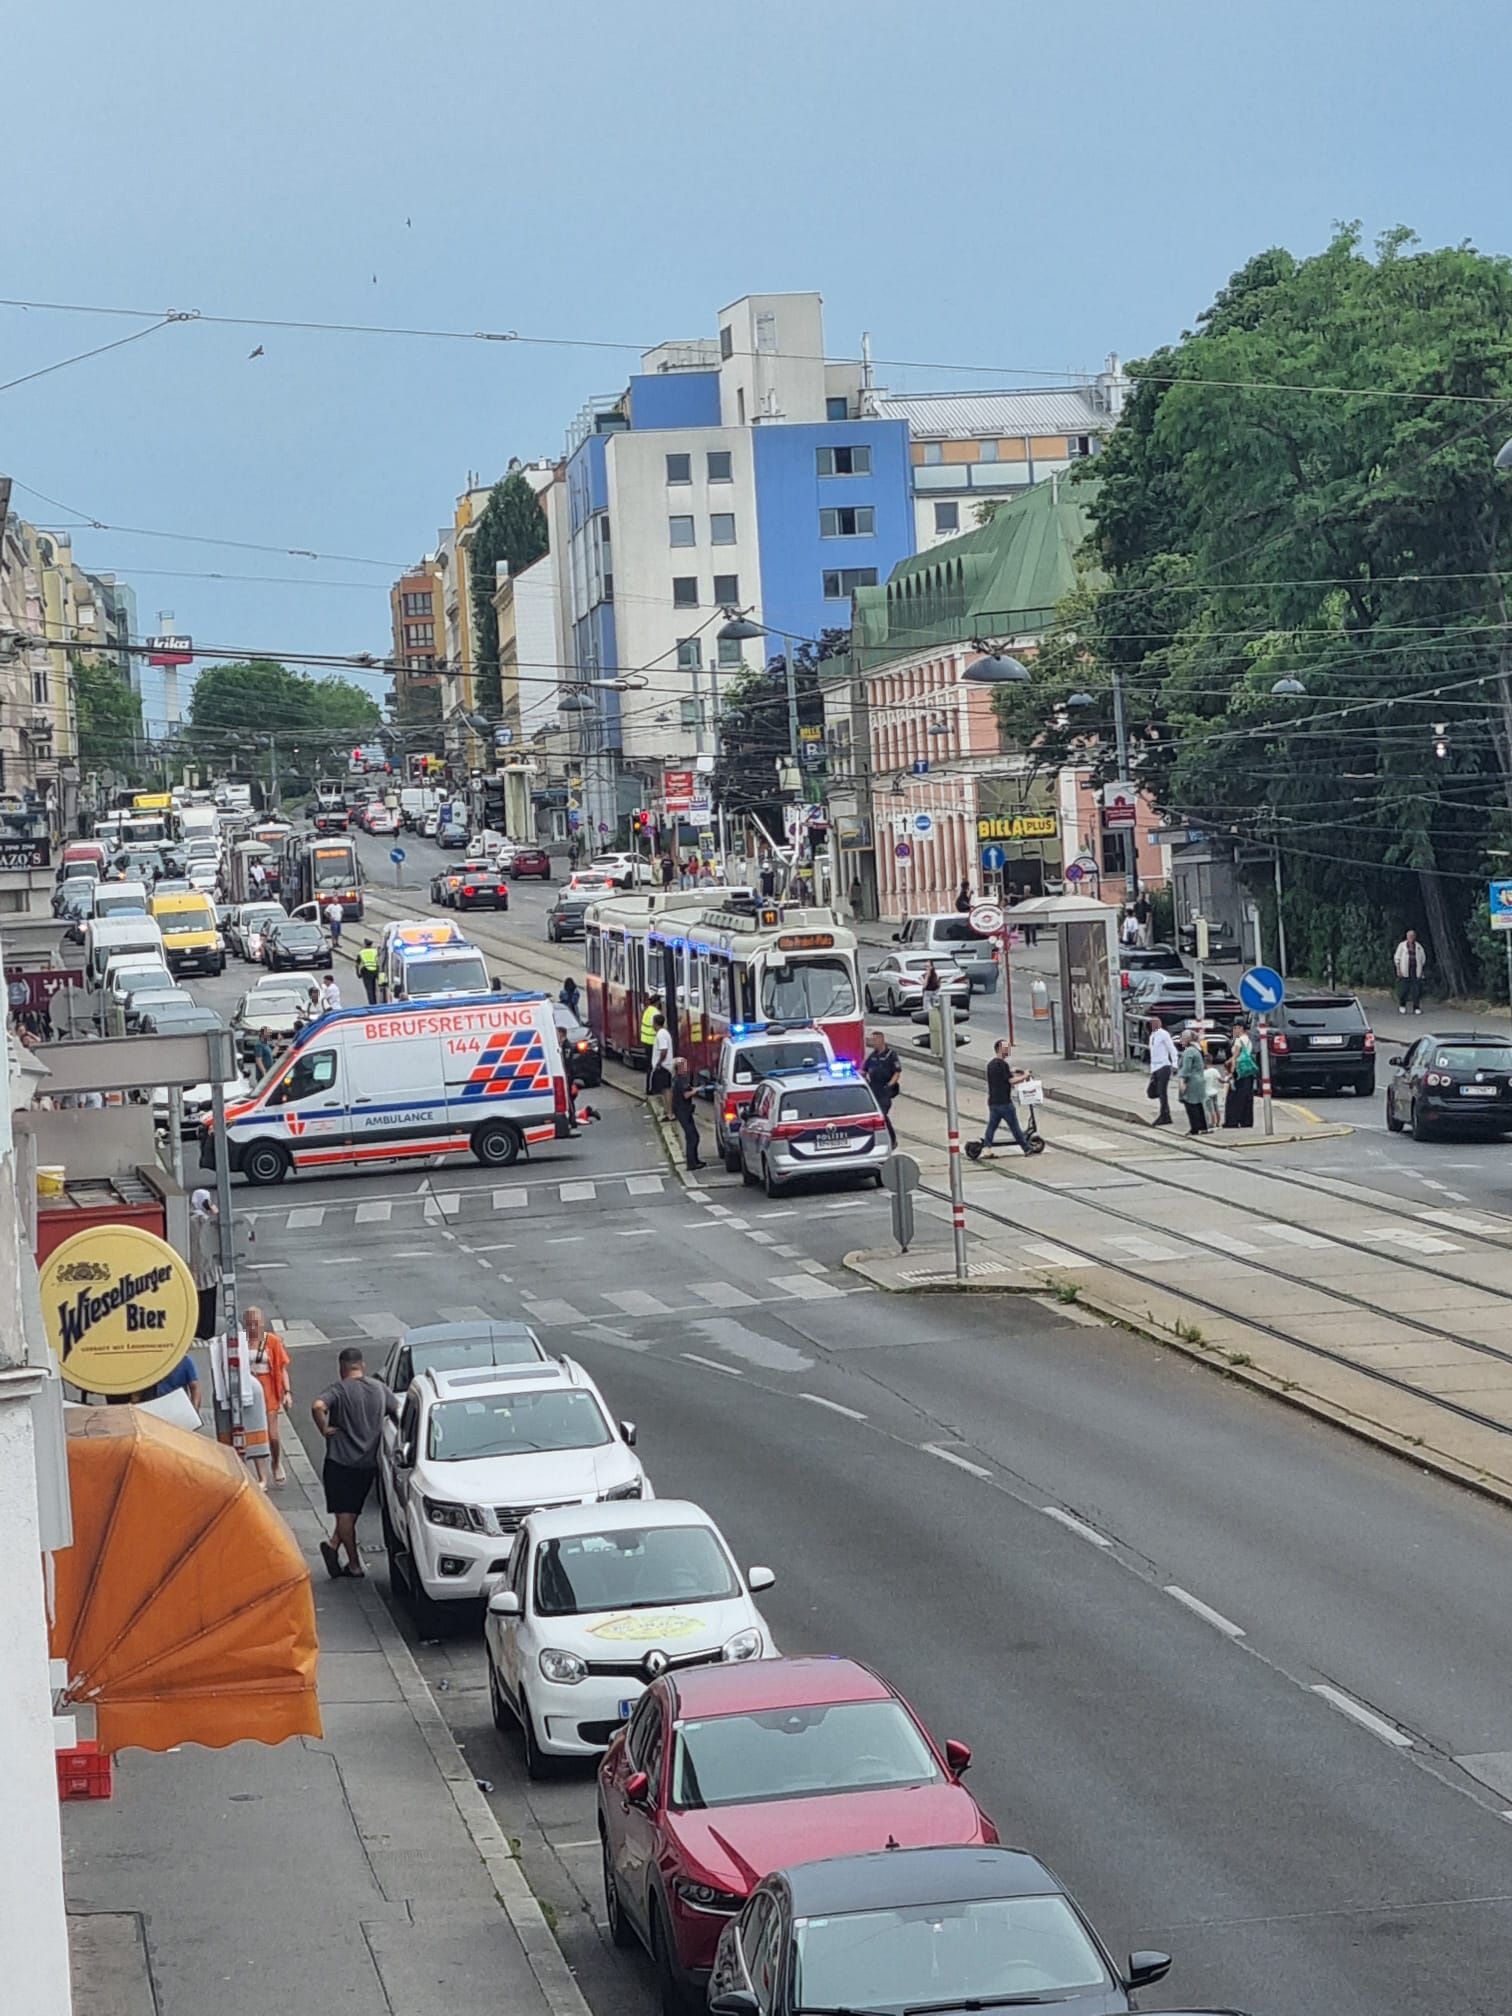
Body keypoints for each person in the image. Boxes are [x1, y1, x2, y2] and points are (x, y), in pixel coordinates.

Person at [311, 1347, 398, 1579]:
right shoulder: (379, 1388)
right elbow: (398, 1410)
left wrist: (324, 1428)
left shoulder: (339, 1389)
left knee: (344, 1516)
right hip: (368, 1463)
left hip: (340, 1461)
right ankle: (331, 1547)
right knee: (352, 1512)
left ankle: (354, 1564)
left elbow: (317, 1406)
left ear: (342, 1368)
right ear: (362, 1366)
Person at [244, 1305, 292, 1485]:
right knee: (256, 1434)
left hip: (268, 1391)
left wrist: (287, 1392)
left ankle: (276, 1462)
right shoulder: (241, 1341)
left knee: (272, 1435)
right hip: (249, 1390)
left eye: (256, 1323)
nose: (253, 1327)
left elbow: (282, 1368)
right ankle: (261, 1474)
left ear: (262, 1322)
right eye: (249, 1323)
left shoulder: (271, 1341)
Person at [978, 1040, 1032, 1154]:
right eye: (1006, 1048)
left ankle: (987, 1148)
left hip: (993, 1102)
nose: (1008, 1050)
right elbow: (1011, 1080)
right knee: (1015, 1127)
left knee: (991, 1127)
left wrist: (1012, 1071)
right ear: (999, 1049)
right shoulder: (1003, 1064)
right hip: (1005, 1103)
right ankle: (1026, 1148)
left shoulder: (991, 1064)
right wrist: (1025, 1076)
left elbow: (1001, 1076)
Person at [189, 1188, 221, 1340]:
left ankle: (197, 1331)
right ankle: (206, 1333)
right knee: (208, 1305)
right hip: (207, 1269)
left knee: (196, 1305)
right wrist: (213, 1209)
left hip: (191, 1269)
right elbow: (222, 1225)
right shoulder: (204, 1220)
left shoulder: (187, 1219)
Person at [862, 1029, 902, 1144]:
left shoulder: (891, 1055)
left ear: (881, 1040)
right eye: (872, 1040)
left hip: (885, 1090)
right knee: (877, 1115)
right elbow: (864, 1070)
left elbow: (897, 1072)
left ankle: (892, 1139)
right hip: (874, 1089)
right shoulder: (873, 1056)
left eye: (875, 1040)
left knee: (882, 1115)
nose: (873, 1042)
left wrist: (890, 1085)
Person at [669, 1056, 704, 1170]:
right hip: (683, 1111)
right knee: (692, 1136)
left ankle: (695, 1160)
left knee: (693, 1136)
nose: (687, 1067)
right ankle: (692, 1163)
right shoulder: (681, 1079)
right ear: (679, 1068)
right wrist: (696, 1090)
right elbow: (686, 1094)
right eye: (684, 1065)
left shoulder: (678, 1079)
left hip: (683, 1111)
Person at [1224, 1025, 1258, 1129]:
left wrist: (1231, 1071)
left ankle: (1232, 1121)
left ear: (1240, 1028)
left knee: (1234, 1097)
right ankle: (1246, 1120)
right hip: (1247, 1070)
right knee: (1247, 1096)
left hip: (1239, 1071)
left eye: (1235, 1029)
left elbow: (1235, 1056)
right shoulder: (1248, 1040)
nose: (1233, 1031)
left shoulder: (1238, 1041)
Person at [1147, 1015, 1178, 1127]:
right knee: (1151, 1092)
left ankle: (1165, 1115)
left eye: (1156, 1023)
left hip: (1164, 1066)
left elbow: (1172, 1049)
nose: (1153, 1025)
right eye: (1152, 1024)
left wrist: (1174, 1064)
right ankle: (1164, 1114)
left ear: (1159, 1024)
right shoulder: (1152, 1036)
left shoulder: (1164, 1034)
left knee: (1162, 1092)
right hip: (1155, 1067)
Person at [1178, 1031, 1209, 1134]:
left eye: (1182, 1038)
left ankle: (1195, 1128)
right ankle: (1203, 1126)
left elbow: (1186, 1068)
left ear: (1188, 1039)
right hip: (1200, 1079)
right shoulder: (1198, 1049)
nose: (1180, 1040)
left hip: (1192, 1081)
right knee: (1199, 1104)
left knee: (1191, 1105)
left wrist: (1182, 1080)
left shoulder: (1189, 1051)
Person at [1394, 929, 1426, 1014]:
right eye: (1409, 936)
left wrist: (1422, 971)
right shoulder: (1402, 946)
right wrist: (1398, 969)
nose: (1411, 938)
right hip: (1405, 970)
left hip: (1415, 970)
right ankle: (1402, 1005)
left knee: (1416, 990)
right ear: (1407, 937)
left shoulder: (1418, 947)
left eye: (1412, 936)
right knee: (1404, 990)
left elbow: (1422, 959)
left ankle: (1416, 1007)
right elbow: (1397, 957)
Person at [649, 1011, 673, 1100]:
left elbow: (664, 1050)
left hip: (662, 1067)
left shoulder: (661, 1034)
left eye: (653, 1023)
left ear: (655, 1023)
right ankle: (668, 1111)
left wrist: (659, 1063)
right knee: (665, 1089)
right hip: (665, 1066)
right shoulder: (664, 1032)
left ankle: (667, 1111)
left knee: (663, 1090)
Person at [639, 994, 661, 1088]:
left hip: (645, 1040)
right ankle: (652, 1087)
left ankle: (648, 1087)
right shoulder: (656, 1013)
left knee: (649, 1066)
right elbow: (657, 1027)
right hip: (652, 1041)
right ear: (657, 1002)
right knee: (653, 1066)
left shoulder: (647, 1010)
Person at [1203, 1054, 1225, 1132]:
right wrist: (1226, 1080)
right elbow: (1221, 1080)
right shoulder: (1214, 1070)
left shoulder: (1204, 1073)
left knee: (1210, 1109)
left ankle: (1212, 1123)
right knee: (1216, 1108)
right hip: (1214, 1092)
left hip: (1207, 1093)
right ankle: (1218, 1122)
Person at [356, 938, 380, 1003]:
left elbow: (357, 964)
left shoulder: (361, 952)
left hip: (366, 971)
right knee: (376, 988)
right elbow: (379, 959)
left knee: (369, 989)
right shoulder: (375, 951)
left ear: (365, 944)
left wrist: (358, 974)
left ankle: (372, 1004)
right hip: (375, 970)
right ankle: (378, 1001)